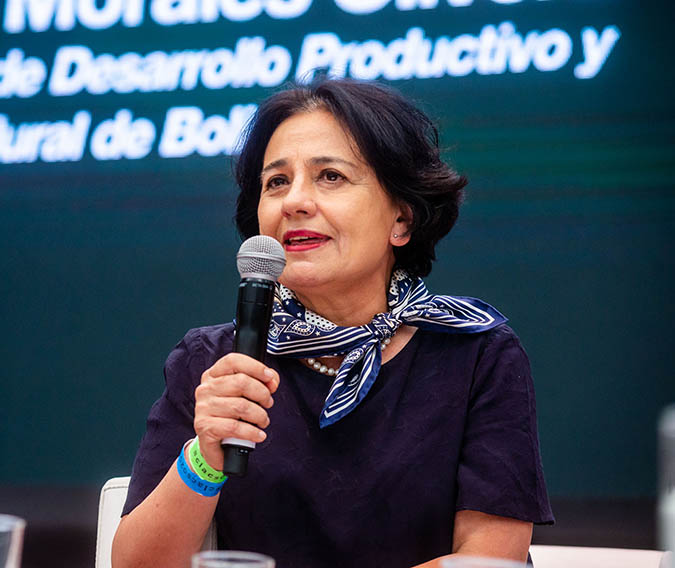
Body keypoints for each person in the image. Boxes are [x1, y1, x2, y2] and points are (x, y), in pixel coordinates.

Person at [112, 78, 553, 568]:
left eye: (330, 176)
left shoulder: (476, 354)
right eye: (276, 182)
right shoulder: (215, 362)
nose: (294, 202)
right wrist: (205, 456)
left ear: (402, 219)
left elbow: (490, 560)